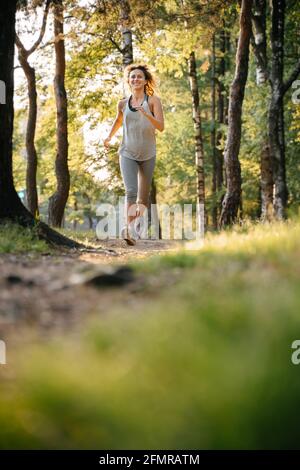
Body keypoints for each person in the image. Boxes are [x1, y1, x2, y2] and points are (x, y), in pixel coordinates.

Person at [104, 63, 164, 245]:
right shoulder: (122, 103)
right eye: (133, 77)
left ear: (146, 81)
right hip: (127, 152)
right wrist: (108, 138)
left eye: (139, 76)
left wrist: (147, 114)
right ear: (128, 81)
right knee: (131, 191)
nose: (136, 79)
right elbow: (118, 121)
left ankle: (135, 226)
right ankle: (128, 230)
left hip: (148, 153)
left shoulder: (153, 101)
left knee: (143, 198)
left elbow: (161, 127)